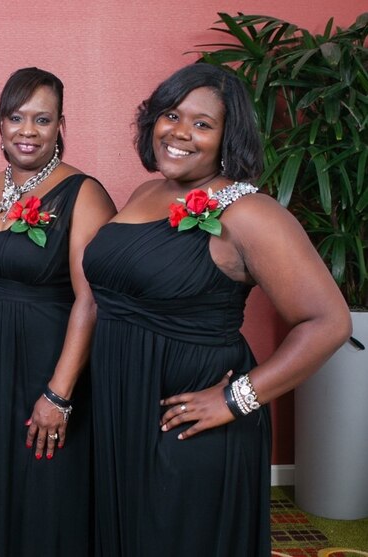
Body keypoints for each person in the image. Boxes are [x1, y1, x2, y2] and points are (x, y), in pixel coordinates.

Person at [83, 63, 352, 556]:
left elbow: (330, 323)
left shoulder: (249, 213)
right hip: (122, 407)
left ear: (229, 137)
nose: (180, 132)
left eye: (203, 124)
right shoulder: (149, 192)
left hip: (186, 424)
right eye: (171, 114)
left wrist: (236, 399)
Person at [0, 67, 116, 556]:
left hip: (49, 372)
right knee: (0, 493)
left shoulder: (82, 193)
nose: (27, 131)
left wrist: (59, 394)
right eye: (16, 117)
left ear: (61, 125)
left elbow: (93, 299)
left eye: (42, 119)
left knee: (48, 499)